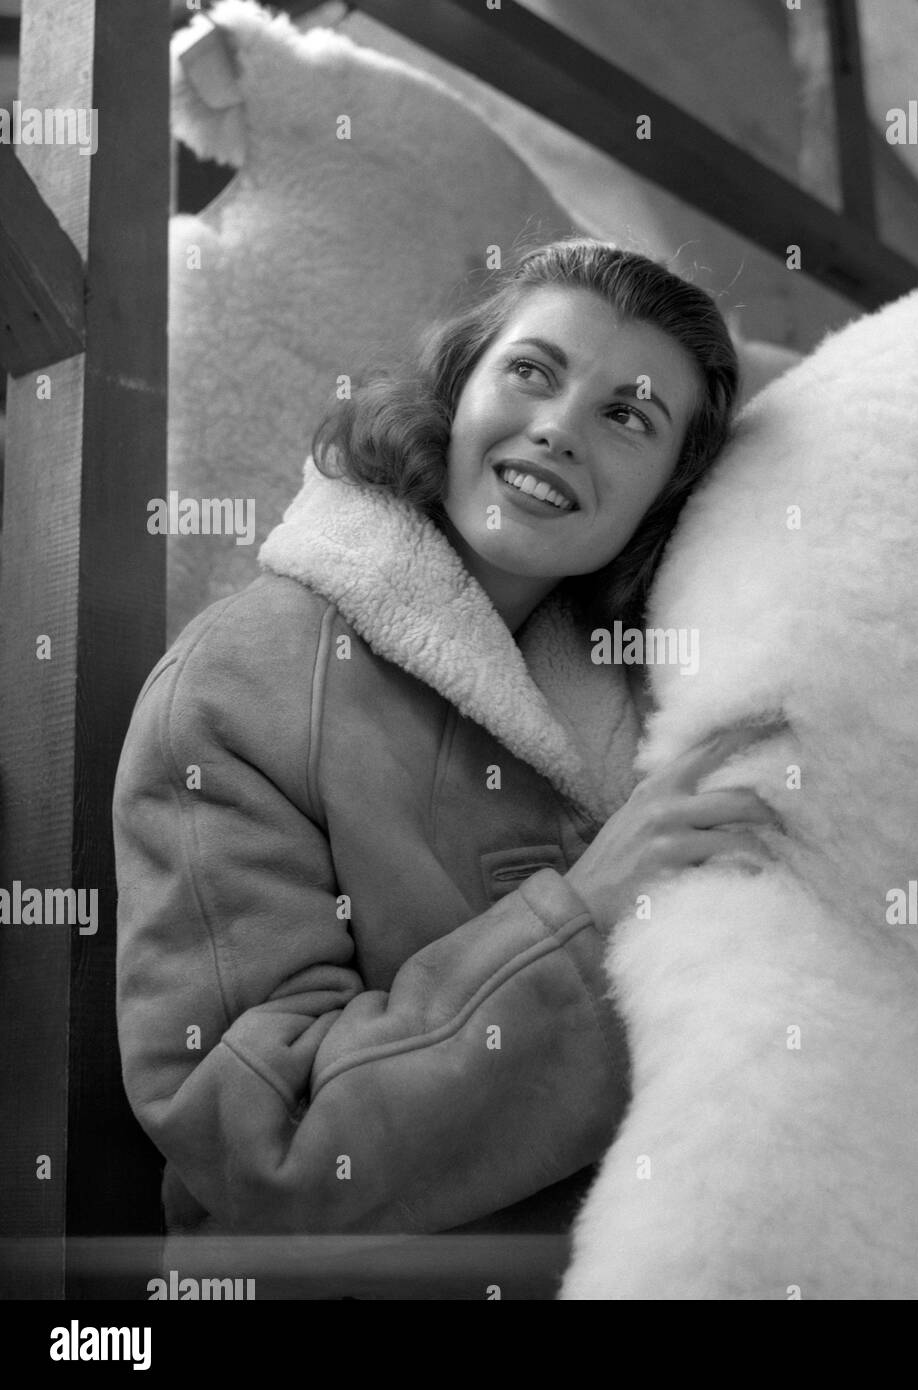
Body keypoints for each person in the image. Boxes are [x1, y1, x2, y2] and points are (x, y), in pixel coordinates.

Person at [113, 239, 779, 1242]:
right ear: (460, 387)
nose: (558, 429)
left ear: (665, 498)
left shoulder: (664, 705)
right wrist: (588, 916)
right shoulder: (236, 683)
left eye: (628, 415)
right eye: (533, 372)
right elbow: (266, 1140)